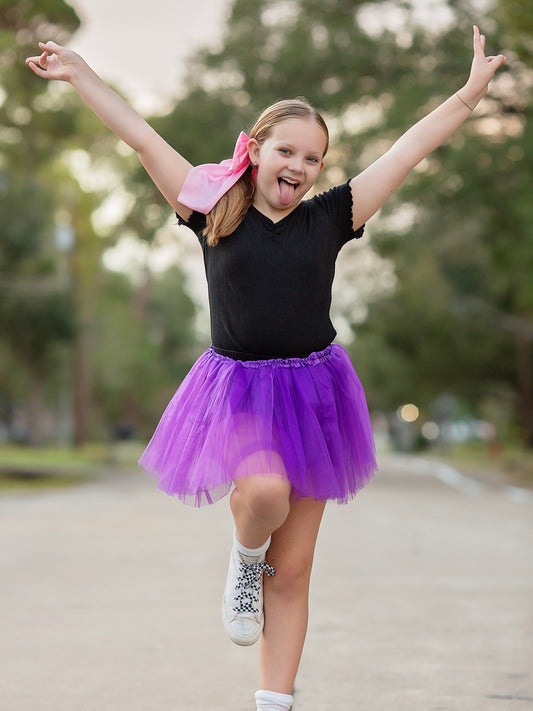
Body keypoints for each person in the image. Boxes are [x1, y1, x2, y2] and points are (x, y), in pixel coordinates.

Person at [26, 26, 505, 711]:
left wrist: (466, 96)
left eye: (313, 158)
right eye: (287, 150)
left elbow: (407, 150)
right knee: (262, 494)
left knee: (298, 569)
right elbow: (140, 137)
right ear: (253, 151)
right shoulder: (209, 205)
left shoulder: (331, 217)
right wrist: (80, 74)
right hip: (240, 390)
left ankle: (273, 701)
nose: (301, 166)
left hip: (316, 392)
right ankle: (244, 559)